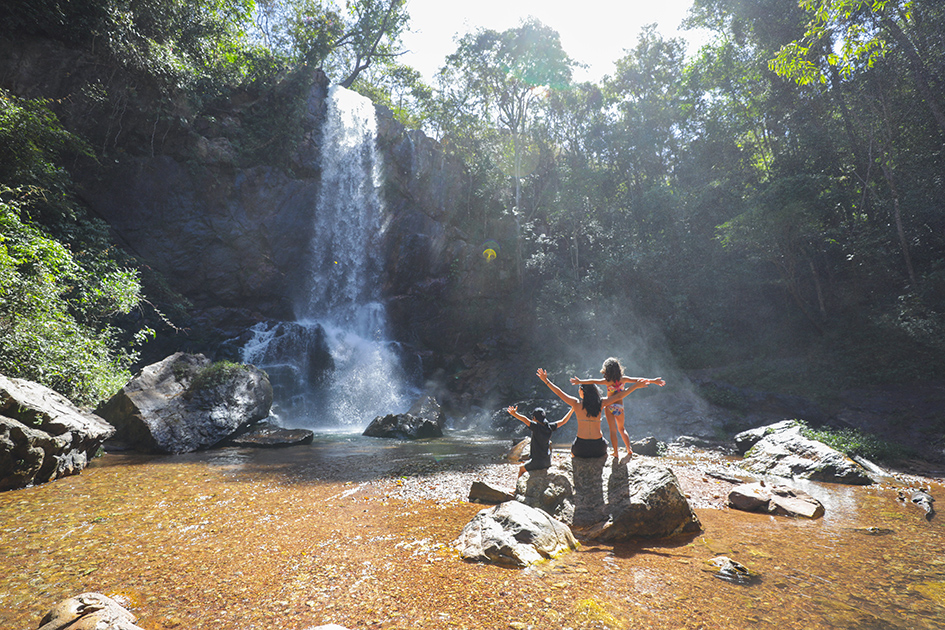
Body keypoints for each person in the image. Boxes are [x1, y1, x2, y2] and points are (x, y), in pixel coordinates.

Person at [536, 367, 643, 459]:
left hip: (580, 448)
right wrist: (635, 386)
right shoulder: (600, 403)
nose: (578, 391)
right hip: (599, 448)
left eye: (579, 389)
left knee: (573, 453)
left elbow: (559, 392)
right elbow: (619, 396)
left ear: (583, 391)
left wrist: (546, 381)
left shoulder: (576, 403)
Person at [570, 357, 665, 459]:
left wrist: (580, 381)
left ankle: (616, 452)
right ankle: (629, 449)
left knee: (613, 430)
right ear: (619, 369)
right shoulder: (623, 379)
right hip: (619, 407)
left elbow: (593, 381)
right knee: (622, 428)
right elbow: (639, 379)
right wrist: (654, 381)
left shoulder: (606, 381)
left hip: (609, 406)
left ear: (606, 370)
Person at [506, 404, 573, 477]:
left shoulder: (535, 427)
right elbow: (563, 421)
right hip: (547, 461)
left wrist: (514, 414)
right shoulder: (549, 426)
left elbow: (524, 419)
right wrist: (572, 409)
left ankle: (517, 488)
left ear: (534, 418)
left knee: (522, 469)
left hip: (537, 462)